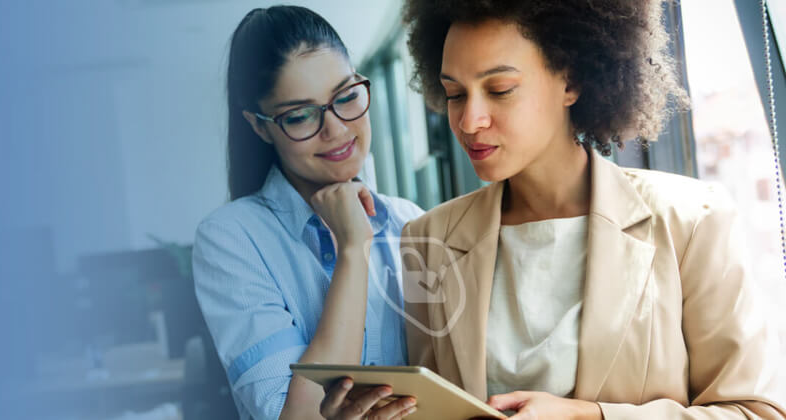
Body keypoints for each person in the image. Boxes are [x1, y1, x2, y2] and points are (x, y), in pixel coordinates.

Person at [322, 0, 786, 418]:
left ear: (572, 82)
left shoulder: (691, 220)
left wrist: (591, 416)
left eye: (500, 89)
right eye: (455, 94)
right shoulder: (427, 241)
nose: (469, 121)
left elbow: (753, 413)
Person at [192, 6, 422, 420]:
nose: (335, 129)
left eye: (347, 97)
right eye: (300, 116)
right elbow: (293, 415)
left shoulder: (411, 223)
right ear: (260, 126)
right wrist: (353, 247)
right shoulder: (231, 239)